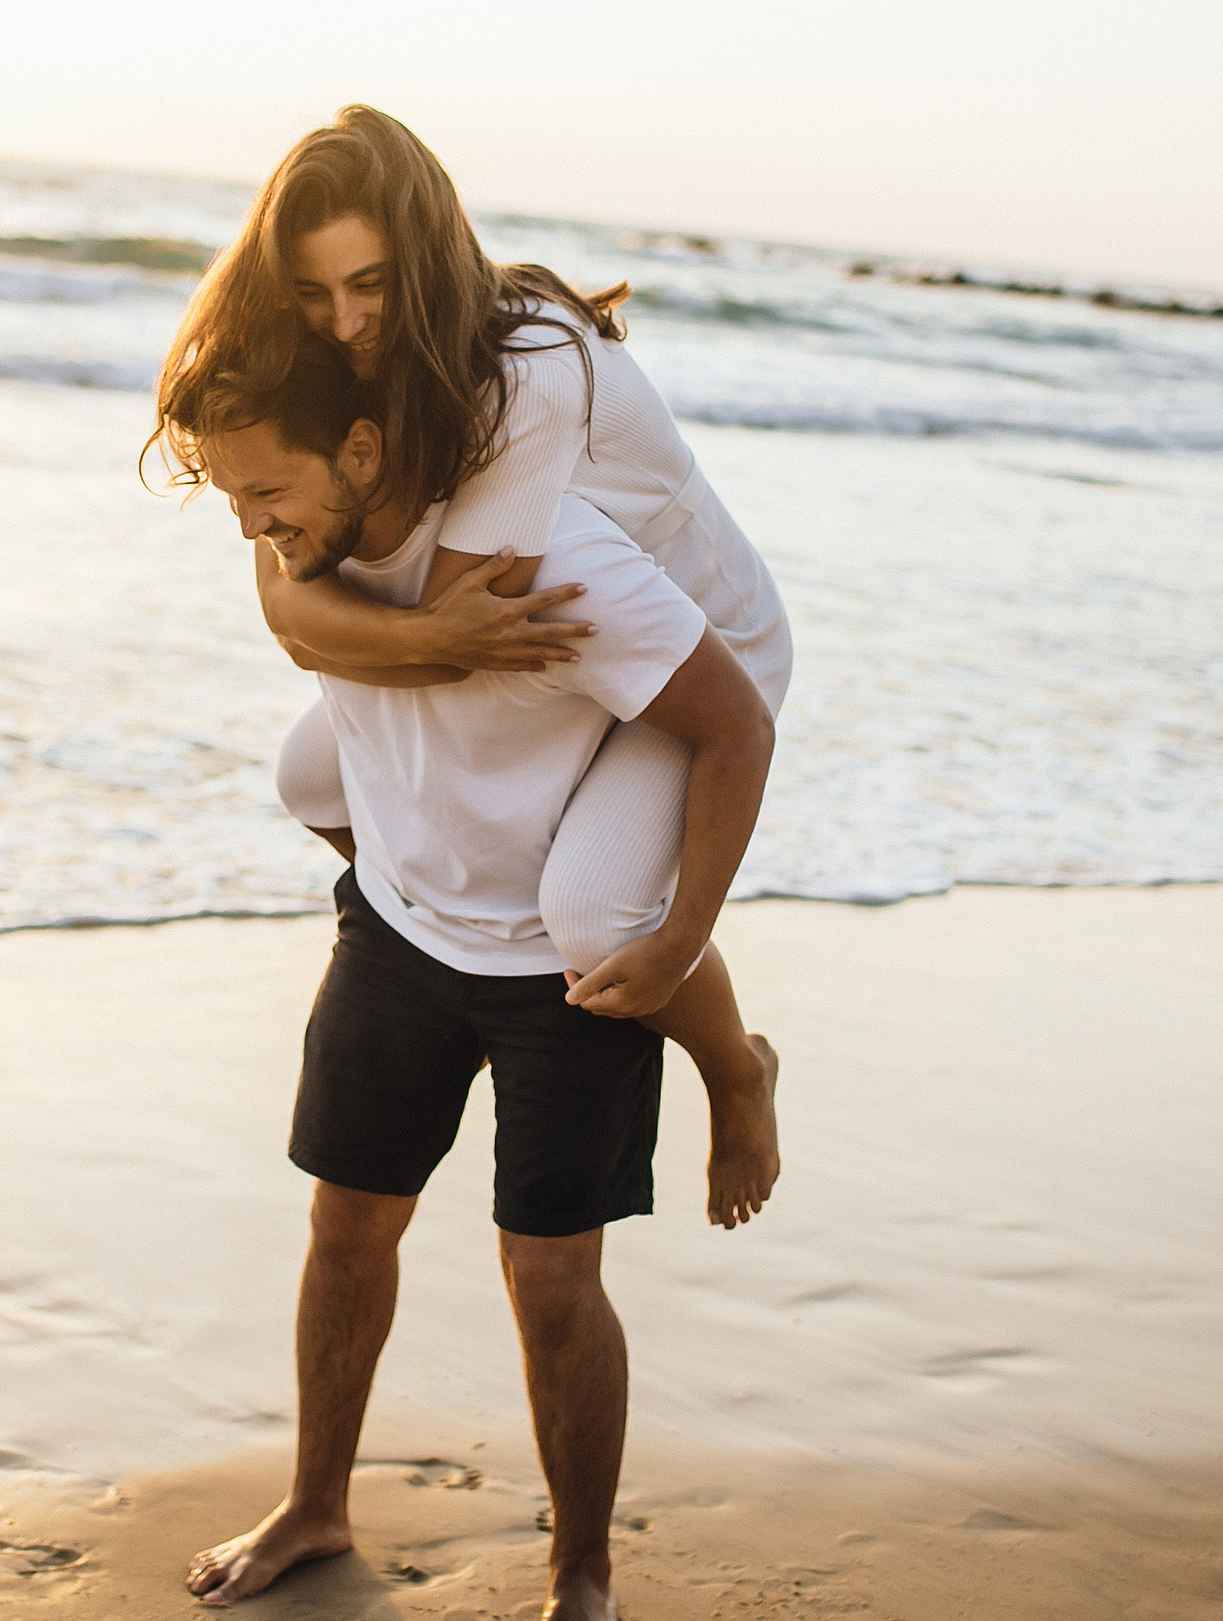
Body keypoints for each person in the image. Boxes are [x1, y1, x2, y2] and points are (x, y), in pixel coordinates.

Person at [158, 341, 776, 1617]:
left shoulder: (555, 564)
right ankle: (317, 1504)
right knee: (346, 1227)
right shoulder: (304, 559)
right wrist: (417, 841)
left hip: (566, 963)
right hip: (397, 930)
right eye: (229, 498)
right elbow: (299, 646)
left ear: (363, 452)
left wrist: (677, 932)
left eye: (263, 490)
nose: (249, 524)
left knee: (550, 1281)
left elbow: (732, 722)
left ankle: (581, 1576)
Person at [154, 104, 789, 1229]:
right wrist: (342, 629)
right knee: (309, 777)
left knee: (591, 918)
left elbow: (449, 631)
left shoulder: (526, 368)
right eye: (311, 291)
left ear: (430, 258)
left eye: (370, 284)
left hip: (689, 648)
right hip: (547, 631)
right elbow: (297, 603)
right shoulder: (344, 348)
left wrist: (677, 931)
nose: (343, 323)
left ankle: (732, 1061)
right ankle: (443, 938)